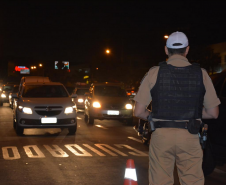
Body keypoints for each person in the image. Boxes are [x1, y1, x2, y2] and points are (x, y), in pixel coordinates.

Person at [133, 31, 220, 185]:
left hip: (161, 136)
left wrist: (155, 117)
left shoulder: (154, 73)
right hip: (190, 135)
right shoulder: (201, 74)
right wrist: (193, 115)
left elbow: (139, 111)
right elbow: (214, 113)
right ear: (187, 50)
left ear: (166, 50)